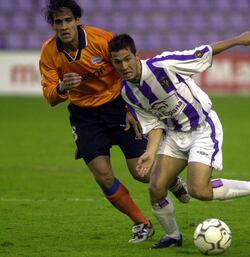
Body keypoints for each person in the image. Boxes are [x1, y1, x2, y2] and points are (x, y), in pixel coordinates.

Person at [108, 33, 250, 249]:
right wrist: (151, 152)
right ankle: (173, 237)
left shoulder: (163, 65)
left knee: (199, 191)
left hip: (201, 128)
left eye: (127, 59)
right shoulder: (127, 93)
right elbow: (153, 125)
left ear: (136, 56)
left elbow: (202, 52)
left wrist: (238, 40)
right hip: (174, 135)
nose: (124, 66)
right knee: (156, 188)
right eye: (117, 62)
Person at [39, 0, 189, 243]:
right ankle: (142, 223)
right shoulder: (48, 52)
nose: (64, 26)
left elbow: (126, 71)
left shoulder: (100, 40)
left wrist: (132, 108)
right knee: (103, 176)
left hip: (118, 108)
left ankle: (171, 180)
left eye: (68, 20)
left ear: (77, 20)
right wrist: (61, 86)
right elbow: (49, 96)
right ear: (53, 26)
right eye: (58, 22)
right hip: (84, 116)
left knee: (141, 172)